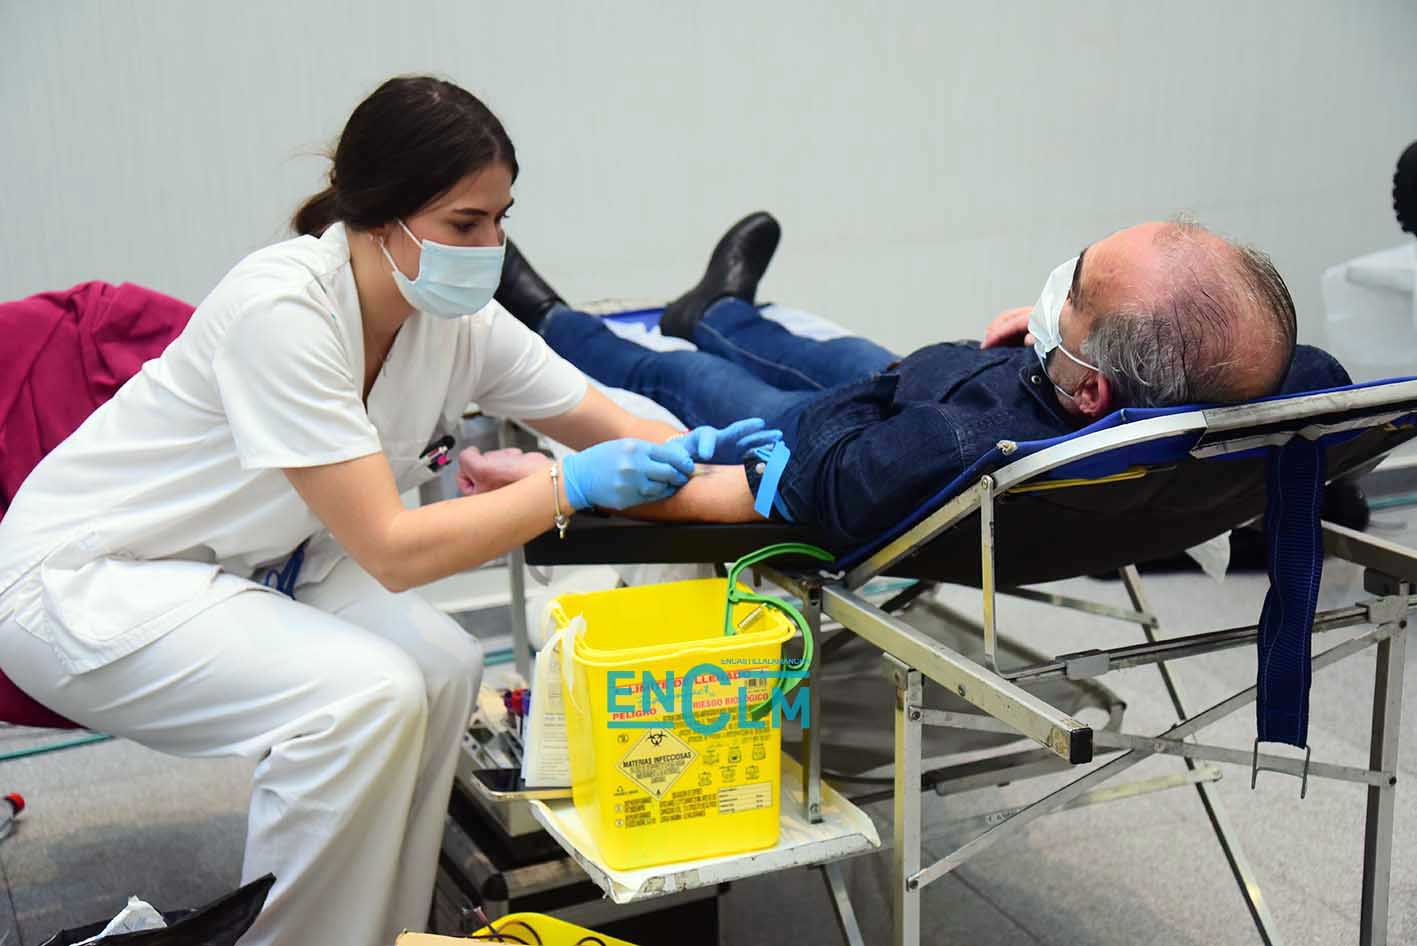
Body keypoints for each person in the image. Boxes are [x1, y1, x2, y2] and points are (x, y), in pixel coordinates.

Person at [0, 77, 774, 946]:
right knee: (362, 698)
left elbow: (614, 423)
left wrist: (733, 466)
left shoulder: (455, 321)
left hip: (253, 563)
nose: (490, 248)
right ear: (379, 216)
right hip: (91, 578)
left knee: (442, 668)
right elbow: (393, 550)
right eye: (464, 225)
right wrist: (563, 486)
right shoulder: (283, 309)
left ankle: (393, 937)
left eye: (500, 219)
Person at [476, 212, 1348, 549]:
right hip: (986, 385)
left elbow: (764, 486)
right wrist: (1048, 349)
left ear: (1095, 394)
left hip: (848, 428)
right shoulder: (1282, 390)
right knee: (839, 348)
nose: (1054, 291)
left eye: (1070, 295)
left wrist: (565, 485)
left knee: (689, 378)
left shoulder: (932, 451)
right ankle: (716, 307)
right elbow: (1305, 362)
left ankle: (550, 316)